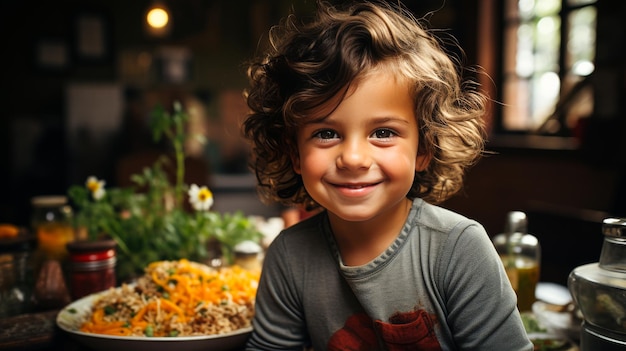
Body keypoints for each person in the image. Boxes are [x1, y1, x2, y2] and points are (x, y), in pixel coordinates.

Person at [242, 1, 533, 350]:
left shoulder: (458, 249)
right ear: (295, 154)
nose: (352, 158)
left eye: (382, 132)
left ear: (423, 148)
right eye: (325, 133)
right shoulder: (289, 257)